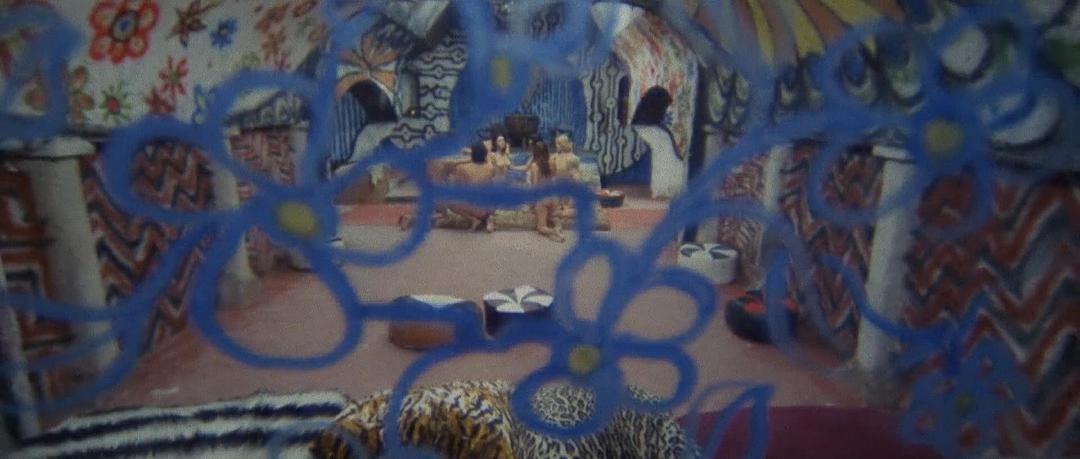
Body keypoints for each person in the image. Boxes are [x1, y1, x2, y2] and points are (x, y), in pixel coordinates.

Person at [447, 142, 497, 232]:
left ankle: (473, 219)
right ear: (484, 153)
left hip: (471, 208)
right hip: (487, 208)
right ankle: (489, 218)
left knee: (450, 202)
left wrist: (468, 159)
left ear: (472, 154)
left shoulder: (462, 168)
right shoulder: (490, 167)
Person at [526, 141, 565, 242]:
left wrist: (531, 202)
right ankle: (558, 227)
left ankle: (555, 233)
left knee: (541, 227)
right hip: (553, 197)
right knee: (553, 217)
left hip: (542, 199)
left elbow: (535, 186)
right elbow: (554, 178)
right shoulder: (552, 162)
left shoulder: (535, 165)